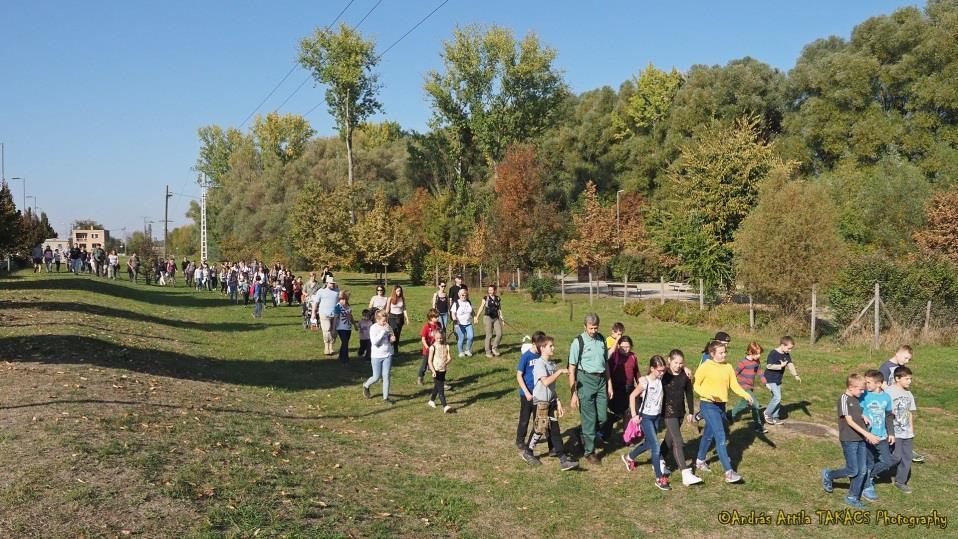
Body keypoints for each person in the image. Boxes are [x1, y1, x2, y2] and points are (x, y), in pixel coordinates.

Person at [693, 340, 752, 483]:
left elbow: (734, 385)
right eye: (720, 352)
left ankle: (700, 460)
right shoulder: (706, 366)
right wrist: (707, 394)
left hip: (721, 407)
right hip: (708, 405)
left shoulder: (728, 367)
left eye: (725, 352)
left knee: (708, 434)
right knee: (720, 436)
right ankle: (729, 472)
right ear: (712, 354)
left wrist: (746, 395)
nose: (724, 354)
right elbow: (696, 385)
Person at [521, 336, 578, 471]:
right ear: (542, 348)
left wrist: (557, 401)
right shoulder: (540, 364)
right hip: (541, 402)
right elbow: (545, 382)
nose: (553, 348)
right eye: (550, 346)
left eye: (553, 345)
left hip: (550, 402)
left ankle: (563, 459)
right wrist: (559, 372)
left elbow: (552, 387)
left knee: (555, 430)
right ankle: (528, 452)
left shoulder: (551, 364)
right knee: (539, 429)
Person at [821, 373, 879, 509]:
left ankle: (852, 497)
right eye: (861, 389)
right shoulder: (844, 399)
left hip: (860, 439)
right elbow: (849, 421)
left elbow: (855, 413)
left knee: (863, 470)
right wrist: (867, 434)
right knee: (853, 470)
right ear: (851, 387)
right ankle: (828, 475)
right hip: (849, 440)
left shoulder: (855, 399)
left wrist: (863, 415)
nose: (863, 391)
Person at [622, 355, 673, 490]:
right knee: (656, 447)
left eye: (663, 370)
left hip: (656, 417)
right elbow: (632, 396)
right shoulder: (645, 382)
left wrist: (684, 368)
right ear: (652, 368)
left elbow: (673, 366)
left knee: (649, 443)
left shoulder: (661, 378)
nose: (662, 373)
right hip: (646, 417)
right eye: (659, 371)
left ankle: (629, 457)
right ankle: (659, 478)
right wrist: (634, 415)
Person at [568, 313, 611, 466]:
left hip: (601, 381)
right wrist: (574, 393)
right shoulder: (578, 342)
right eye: (591, 328)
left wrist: (609, 383)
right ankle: (589, 452)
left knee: (603, 417)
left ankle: (583, 433)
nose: (593, 331)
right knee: (589, 418)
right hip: (585, 381)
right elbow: (572, 369)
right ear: (584, 326)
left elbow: (606, 363)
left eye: (596, 328)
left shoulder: (601, 340)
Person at [658, 349, 703, 486]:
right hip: (667, 411)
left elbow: (689, 393)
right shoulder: (663, 374)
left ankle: (658, 460)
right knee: (678, 440)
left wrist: (690, 412)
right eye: (675, 362)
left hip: (680, 412)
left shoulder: (685, 375)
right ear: (669, 360)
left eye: (680, 363)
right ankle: (685, 473)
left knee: (669, 439)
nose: (678, 365)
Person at [860, 369, 898, 502]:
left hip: (882, 436)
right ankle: (867, 487)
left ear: (879, 384)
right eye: (865, 382)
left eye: (869, 382)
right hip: (868, 436)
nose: (866, 385)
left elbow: (888, 416)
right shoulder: (863, 395)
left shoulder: (886, 397)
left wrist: (891, 433)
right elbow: (856, 410)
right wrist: (862, 414)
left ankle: (869, 476)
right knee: (869, 462)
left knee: (887, 461)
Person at [884, 366, 917, 493]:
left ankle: (900, 481)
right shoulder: (889, 392)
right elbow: (883, 410)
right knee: (896, 457)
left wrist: (911, 430)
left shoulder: (909, 394)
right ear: (897, 378)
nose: (909, 381)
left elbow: (909, 413)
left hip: (906, 432)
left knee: (907, 457)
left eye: (910, 379)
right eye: (907, 378)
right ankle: (875, 470)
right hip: (894, 431)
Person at [601, 335, 638, 440]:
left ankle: (627, 437)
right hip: (616, 388)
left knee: (628, 412)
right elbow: (608, 371)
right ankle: (604, 434)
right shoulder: (614, 357)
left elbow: (636, 372)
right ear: (618, 346)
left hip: (629, 388)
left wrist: (640, 384)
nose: (625, 349)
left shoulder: (633, 357)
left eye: (628, 346)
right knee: (614, 413)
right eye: (623, 347)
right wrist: (609, 386)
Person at [515, 331, 548, 451]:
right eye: (540, 346)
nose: (542, 348)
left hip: (539, 395)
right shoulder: (526, 357)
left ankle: (532, 442)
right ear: (533, 344)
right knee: (524, 419)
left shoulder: (541, 356)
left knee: (538, 419)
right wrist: (527, 393)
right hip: (527, 395)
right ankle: (520, 440)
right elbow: (519, 375)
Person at [728, 342, 767, 433]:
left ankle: (731, 414)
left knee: (744, 403)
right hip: (743, 386)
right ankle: (758, 426)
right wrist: (730, 384)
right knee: (755, 405)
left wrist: (766, 383)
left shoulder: (757, 361)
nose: (759, 355)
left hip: (750, 386)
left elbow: (760, 372)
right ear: (750, 352)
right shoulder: (743, 362)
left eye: (760, 353)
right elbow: (734, 373)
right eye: (757, 353)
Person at [763, 336, 801, 425]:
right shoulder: (773, 353)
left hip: (778, 379)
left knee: (776, 398)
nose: (790, 351)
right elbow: (769, 366)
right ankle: (767, 413)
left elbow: (790, 364)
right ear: (782, 345)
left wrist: (795, 375)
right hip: (770, 379)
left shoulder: (786, 354)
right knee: (777, 397)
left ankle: (775, 417)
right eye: (789, 348)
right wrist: (780, 366)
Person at [362, 310, 395, 404]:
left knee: (386, 376)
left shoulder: (388, 327)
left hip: (387, 354)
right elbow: (375, 342)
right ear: (377, 319)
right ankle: (366, 385)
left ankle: (386, 398)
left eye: (386, 320)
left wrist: (392, 339)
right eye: (383, 321)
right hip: (376, 356)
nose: (385, 323)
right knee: (376, 377)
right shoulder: (373, 328)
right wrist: (382, 332)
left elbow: (391, 337)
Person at [310, 279, 341, 356]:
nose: (333, 285)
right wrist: (313, 313)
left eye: (334, 283)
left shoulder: (337, 291)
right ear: (327, 283)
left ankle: (331, 346)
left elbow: (339, 303)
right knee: (327, 330)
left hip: (335, 314)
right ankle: (326, 346)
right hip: (324, 314)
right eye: (331, 283)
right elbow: (315, 302)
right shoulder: (321, 291)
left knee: (334, 331)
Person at [427, 331, 454, 413]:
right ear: (434, 337)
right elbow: (429, 361)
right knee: (441, 388)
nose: (439, 339)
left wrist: (446, 362)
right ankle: (445, 406)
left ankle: (431, 401)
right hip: (436, 371)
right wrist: (433, 370)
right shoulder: (433, 347)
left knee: (437, 386)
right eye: (438, 338)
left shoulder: (446, 346)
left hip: (443, 370)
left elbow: (449, 358)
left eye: (441, 338)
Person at [475, 284, 505, 357]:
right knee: (489, 335)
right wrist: (477, 316)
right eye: (489, 290)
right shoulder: (486, 298)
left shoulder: (498, 298)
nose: (490, 291)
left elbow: (499, 309)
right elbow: (481, 307)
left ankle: (494, 348)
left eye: (491, 290)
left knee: (499, 334)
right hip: (487, 318)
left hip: (496, 318)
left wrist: (502, 318)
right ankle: (488, 351)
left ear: (494, 290)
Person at [417, 310, 442, 385]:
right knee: (424, 365)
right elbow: (423, 338)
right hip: (427, 350)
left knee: (436, 365)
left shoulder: (439, 324)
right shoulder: (426, 326)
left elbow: (440, 335)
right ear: (431, 317)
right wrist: (427, 347)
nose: (437, 318)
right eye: (436, 317)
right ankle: (420, 378)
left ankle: (438, 381)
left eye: (438, 316)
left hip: (436, 349)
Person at [385, 285, 409, 356]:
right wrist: (385, 319)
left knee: (398, 334)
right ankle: (391, 349)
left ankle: (395, 350)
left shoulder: (402, 298)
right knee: (393, 333)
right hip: (392, 317)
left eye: (400, 291)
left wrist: (407, 318)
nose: (399, 292)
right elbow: (387, 310)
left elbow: (404, 308)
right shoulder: (390, 299)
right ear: (394, 291)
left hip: (400, 317)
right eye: (398, 291)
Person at [451, 288, 474, 357]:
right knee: (461, 338)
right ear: (459, 295)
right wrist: (455, 323)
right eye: (462, 295)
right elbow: (453, 313)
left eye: (465, 295)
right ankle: (461, 352)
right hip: (459, 324)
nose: (464, 296)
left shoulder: (468, 302)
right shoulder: (456, 303)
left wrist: (475, 317)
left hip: (468, 323)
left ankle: (467, 350)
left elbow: (472, 311)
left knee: (471, 337)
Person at [334, 291, 355, 363]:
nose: (344, 301)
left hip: (348, 327)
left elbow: (350, 316)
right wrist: (334, 329)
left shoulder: (348, 306)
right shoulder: (338, 306)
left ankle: (341, 356)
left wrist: (354, 324)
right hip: (341, 328)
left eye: (346, 299)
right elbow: (335, 318)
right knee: (345, 342)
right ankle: (345, 359)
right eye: (342, 299)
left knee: (345, 343)